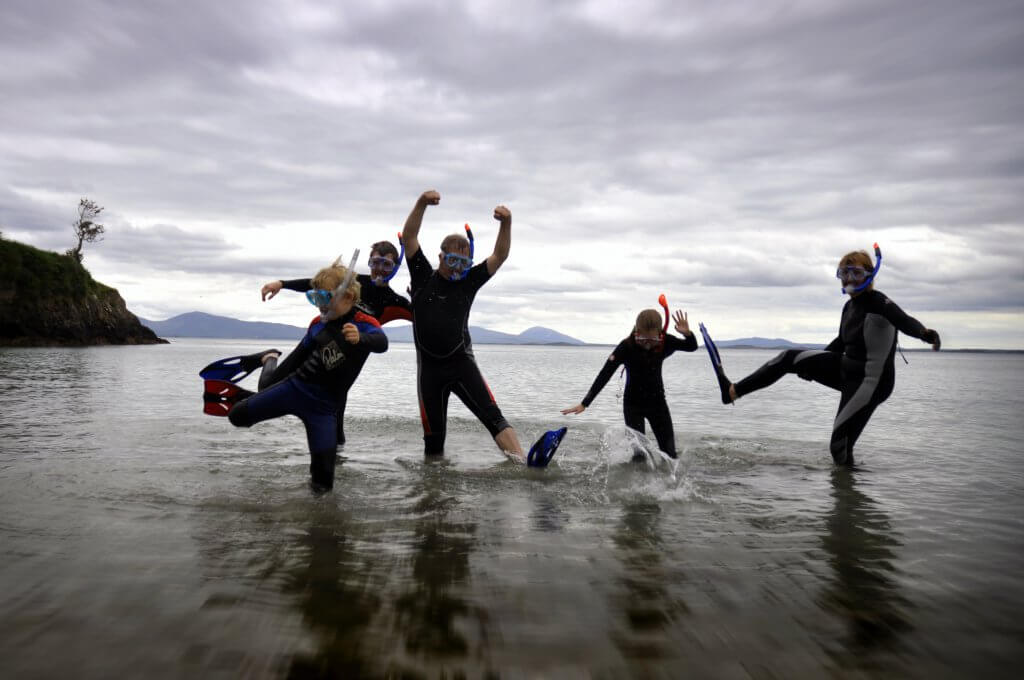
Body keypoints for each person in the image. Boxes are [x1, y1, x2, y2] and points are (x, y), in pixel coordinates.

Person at [704, 247, 941, 466]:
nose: (849, 280)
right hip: (847, 370)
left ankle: (851, 501)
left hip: (872, 382)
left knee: (839, 447)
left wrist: (925, 334)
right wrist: (813, 366)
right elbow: (840, 344)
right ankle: (732, 391)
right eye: (844, 274)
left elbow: (904, 320)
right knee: (789, 358)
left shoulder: (879, 302)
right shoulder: (849, 308)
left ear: (869, 274)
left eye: (855, 273)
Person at [227, 261, 388, 491]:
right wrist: (275, 386)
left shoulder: (363, 323)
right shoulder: (317, 325)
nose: (320, 306)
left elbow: (382, 343)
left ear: (349, 297)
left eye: (325, 298)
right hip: (295, 388)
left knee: (322, 487)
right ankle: (269, 357)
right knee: (237, 416)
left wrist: (361, 339)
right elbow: (295, 359)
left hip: (324, 409)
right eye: (316, 298)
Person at [401, 189, 526, 461]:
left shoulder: (469, 282)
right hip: (429, 374)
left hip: (461, 365)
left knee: (494, 418)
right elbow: (409, 237)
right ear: (441, 257)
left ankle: (523, 464)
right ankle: (433, 491)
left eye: (463, 263)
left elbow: (500, 255)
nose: (457, 268)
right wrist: (421, 203)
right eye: (452, 261)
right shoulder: (422, 276)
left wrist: (507, 223)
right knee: (433, 444)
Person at [259, 240, 411, 446]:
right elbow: (317, 285)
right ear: (369, 263)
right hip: (320, 345)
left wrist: (419, 298)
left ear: (395, 268)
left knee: (336, 431)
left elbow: (423, 319)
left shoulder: (395, 301)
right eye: (375, 263)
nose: (379, 270)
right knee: (266, 387)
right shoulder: (355, 282)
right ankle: (269, 358)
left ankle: (337, 467)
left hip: (346, 365)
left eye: (386, 265)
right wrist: (282, 284)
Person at [561, 307, 697, 459]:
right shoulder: (627, 346)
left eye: (652, 340)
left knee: (670, 454)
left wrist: (687, 334)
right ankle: (637, 482)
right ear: (637, 332)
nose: (647, 344)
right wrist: (585, 403)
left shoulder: (666, 342)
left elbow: (691, 347)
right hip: (633, 406)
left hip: (658, 404)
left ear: (660, 334)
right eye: (643, 339)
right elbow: (605, 374)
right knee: (639, 456)